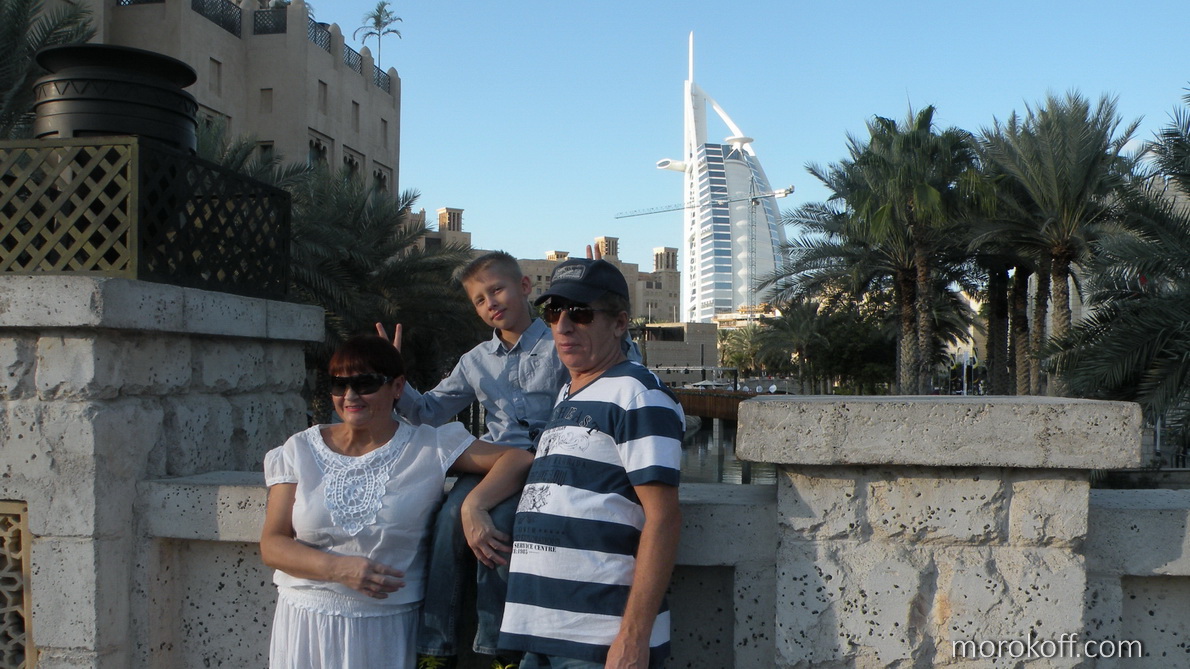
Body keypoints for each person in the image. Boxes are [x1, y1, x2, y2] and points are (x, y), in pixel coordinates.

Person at [260, 334, 533, 669]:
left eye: (366, 384)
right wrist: (338, 569)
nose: (350, 396)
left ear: (398, 387)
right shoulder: (299, 449)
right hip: (305, 624)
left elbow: (516, 459)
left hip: (388, 629)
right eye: (339, 384)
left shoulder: (429, 446)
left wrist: (472, 505)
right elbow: (272, 544)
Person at [378, 251, 568, 669]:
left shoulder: (561, 344)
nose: (490, 303)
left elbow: (611, 367)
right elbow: (427, 412)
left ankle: (500, 651)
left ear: (524, 287)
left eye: (497, 290)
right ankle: (436, 649)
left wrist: (595, 299)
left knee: (497, 527)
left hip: (543, 465)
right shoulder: (475, 360)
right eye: (479, 300)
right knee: (447, 521)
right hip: (494, 463)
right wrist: (394, 376)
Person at [498, 258, 684, 669]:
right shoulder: (569, 393)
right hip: (541, 630)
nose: (563, 326)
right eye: (553, 312)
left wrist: (632, 639)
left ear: (619, 324)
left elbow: (664, 519)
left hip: (597, 640)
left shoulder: (638, 395)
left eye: (580, 313)